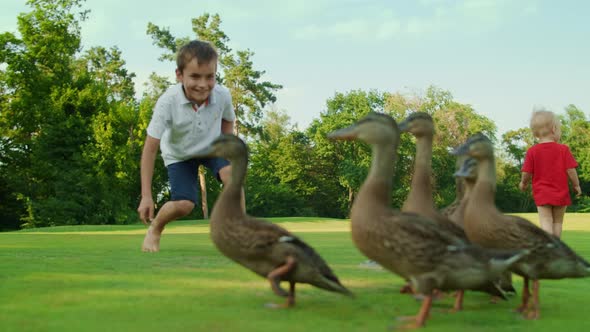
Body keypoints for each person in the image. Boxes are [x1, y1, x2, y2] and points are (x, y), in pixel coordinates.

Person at [137, 40, 237, 252]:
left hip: (211, 147)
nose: (203, 84)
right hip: (179, 155)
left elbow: (228, 120)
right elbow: (150, 149)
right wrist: (146, 195)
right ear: (179, 75)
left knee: (232, 173)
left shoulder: (222, 95)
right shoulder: (167, 102)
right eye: (194, 76)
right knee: (185, 205)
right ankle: (155, 229)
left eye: (210, 76)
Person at [519, 109, 582, 238]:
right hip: (561, 193)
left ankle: (549, 246)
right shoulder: (563, 149)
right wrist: (576, 185)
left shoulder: (532, 151)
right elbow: (571, 170)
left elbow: (527, 172)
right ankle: (556, 246)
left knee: (546, 221)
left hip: (542, 193)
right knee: (558, 222)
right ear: (554, 129)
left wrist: (523, 183)